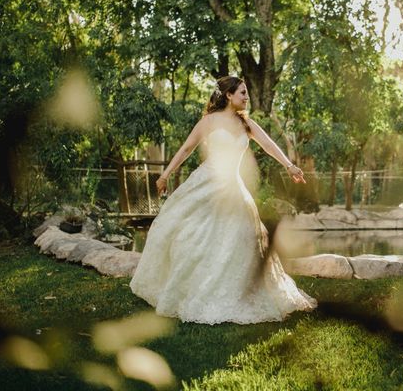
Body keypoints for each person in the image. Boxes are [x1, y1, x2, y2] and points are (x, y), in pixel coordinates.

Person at [130, 76, 317, 324]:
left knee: (239, 240)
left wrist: (290, 166)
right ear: (228, 95)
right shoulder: (208, 121)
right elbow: (186, 148)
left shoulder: (246, 124)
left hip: (233, 189)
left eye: (246, 92)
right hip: (206, 184)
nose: (246, 97)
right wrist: (165, 175)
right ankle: (188, 287)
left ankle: (235, 290)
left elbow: (269, 145)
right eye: (242, 92)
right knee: (192, 236)